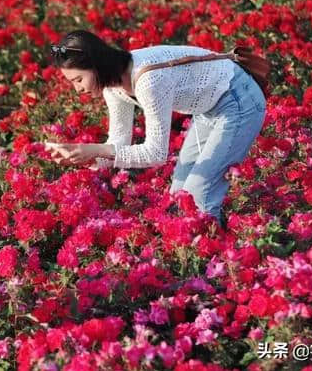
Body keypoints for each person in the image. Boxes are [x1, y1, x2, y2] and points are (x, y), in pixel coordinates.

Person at [43, 29, 266, 230]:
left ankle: (219, 263)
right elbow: (118, 144)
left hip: (238, 100)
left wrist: (95, 150)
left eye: (79, 79)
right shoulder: (112, 87)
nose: (77, 89)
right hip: (208, 110)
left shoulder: (147, 80)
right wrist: (80, 156)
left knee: (198, 199)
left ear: (96, 65)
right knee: (180, 198)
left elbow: (156, 154)